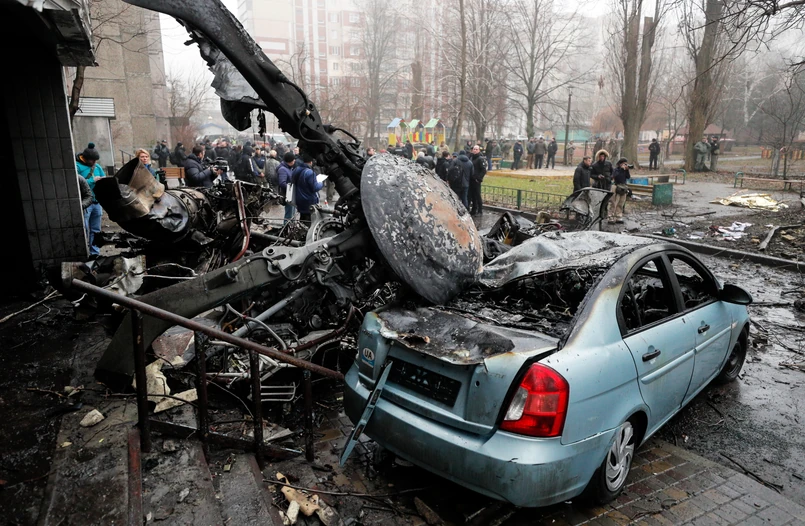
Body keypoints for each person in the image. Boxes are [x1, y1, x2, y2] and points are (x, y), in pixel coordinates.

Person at [75, 142, 105, 256]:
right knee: (85, 229)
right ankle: (84, 252)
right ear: (85, 158)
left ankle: (94, 253)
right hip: (85, 203)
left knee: (96, 230)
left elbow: (103, 178)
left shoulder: (97, 166)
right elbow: (76, 184)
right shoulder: (77, 167)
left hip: (97, 202)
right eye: (92, 160)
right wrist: (93, 180)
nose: (94, 162)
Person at [291, 152, 324, 223]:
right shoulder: (309, 172)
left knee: (303, 218)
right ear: (311, 162)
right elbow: (315, 187)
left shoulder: (296, 169)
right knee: (309, 220)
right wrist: (321, 183)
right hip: (308, 200)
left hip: (299, 198)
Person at [609, 157, 631, 224]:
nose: (625, 165)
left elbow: (628, 177)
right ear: (620, 163)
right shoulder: (616, 169)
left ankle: (618, 216)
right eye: (624, 163)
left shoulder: (625, 170)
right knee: (614, 203)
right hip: (616, 186)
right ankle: (611, 217)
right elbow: (614, 176)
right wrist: (621, 169)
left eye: (626, 164)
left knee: (621, 203)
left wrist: (627, 170)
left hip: (623, 187)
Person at [278, 152, 296, 224]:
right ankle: (286, 227)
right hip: (288, 194)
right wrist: (292, 188)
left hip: (292, 193)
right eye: (293, 160)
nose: (294, 161)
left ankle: (291, 227)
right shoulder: (283, 169)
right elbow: (282, 183)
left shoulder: (289, 168)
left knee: (293, 214)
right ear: (290, 161)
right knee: (289, 214)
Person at [469, 145, 487, 215]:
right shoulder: (471, 157)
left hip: (476, 180)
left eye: (476, 149)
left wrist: (479, 178)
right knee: (472, 195)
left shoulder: (480, 159)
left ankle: (480, 210)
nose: (475, 150)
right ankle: (474, 209)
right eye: (474, 149)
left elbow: (483, 170)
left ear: (479, 150)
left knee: (477, 195)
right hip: (471, 179)